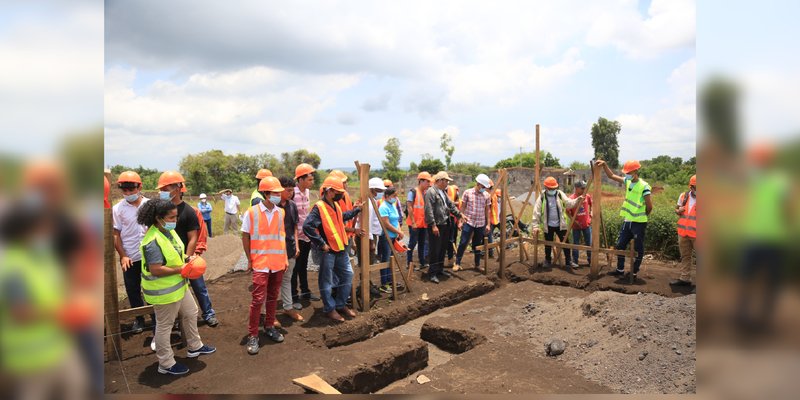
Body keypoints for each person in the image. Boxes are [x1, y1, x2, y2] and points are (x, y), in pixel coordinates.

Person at [0, 203, 89, 399]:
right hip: (30, 356)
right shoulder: (14, 267)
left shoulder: (41, 258)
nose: (48, 232)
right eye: (42, 227)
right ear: (24, 231)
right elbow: (20, 312)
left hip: (58, 346)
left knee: (76, 385)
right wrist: (63, 313)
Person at [137, 199, 215, 375]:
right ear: (158, 218)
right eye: (171, 217)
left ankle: (195, 346)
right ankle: (165, 363)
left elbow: (176, 253)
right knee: (165, 326)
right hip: (164, 292)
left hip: (179, 286)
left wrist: (188, 259)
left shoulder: (167, 232)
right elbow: (156, 269)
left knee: (191, 312)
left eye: (176, 216)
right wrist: (183, 268)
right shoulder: (152, 240)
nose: (175, 220)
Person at [157, 171, 219, 326]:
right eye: (162, 189)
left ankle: (208, 313)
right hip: (169, 260)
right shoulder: (160, 212)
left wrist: (187, 259)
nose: (163, 192)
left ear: (178, 189)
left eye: (166, 189)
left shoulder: (189, 212)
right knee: (174, 290)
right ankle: (177, 319)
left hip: (187, 258)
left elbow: (194, 238)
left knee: (199, 286)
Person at [302, 176, 362, 322]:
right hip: (328, 251)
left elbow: (341, 218)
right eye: (338, 192)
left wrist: (357, 210)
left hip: (340, 249)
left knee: (348, 275)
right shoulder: (319, 208)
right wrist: (321, 244)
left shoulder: (335, 205)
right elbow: (307, 226)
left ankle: (340, 304)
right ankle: (329, 308)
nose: (341, 194)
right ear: (329, 191)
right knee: (326, 281)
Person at [241, 177, 289, 355]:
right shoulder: (252, 213)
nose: (278, 195)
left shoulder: (280, 213)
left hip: (277, 263)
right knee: (257, 300)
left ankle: (269, 326)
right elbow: (245, 236)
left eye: (279, 192)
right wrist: (249, 258)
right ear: (266, 194)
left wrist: (284, 258)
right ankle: (253, 334)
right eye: (275, 193)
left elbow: (281, 237)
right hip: (261, 263)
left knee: (272, 298)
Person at [596, 159, 653, 280]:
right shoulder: (627, 181)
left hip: (639, 222)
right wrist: (605, 165)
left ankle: (633, 272)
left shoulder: (644, 186)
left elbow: (649, 206)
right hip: (628, 221)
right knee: (620, 245)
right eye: (626, 172)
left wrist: (642, 216)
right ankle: (620, 270)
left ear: (636, 171)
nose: (626, 174)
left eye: (629, 172)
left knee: (638, 248)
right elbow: (611, 175)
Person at [112, 171, 152, 334]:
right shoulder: (118, 209)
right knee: (132, 289)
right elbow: (116, 235)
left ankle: (159, 318)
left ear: (139, 187)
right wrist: (123, 256)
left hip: (150, 255)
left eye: (131, 189)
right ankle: (139, 319)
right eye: (124, 190)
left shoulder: (150, 205)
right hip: (131, 257)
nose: (128, 193)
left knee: (154, 288)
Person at [532, 176, 583, 270]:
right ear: (546, 188)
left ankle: (568, 261)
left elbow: (568, 203)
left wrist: (577, 200)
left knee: (565, 243)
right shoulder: (542, 197)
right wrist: (535, 226)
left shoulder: (559, 194)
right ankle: (548, 260)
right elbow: (537, 212)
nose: (553, 190)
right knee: (548, 244)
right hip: (548, 225)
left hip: (561, 225)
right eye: (551, 188)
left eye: (554, 188)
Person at [424, 172, 463, 283]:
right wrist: (433, 225)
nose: (447, 183)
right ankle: (432, 273)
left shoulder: (442, 192)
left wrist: (460, 214)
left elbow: (450, 205)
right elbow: (428, 210)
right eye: (446, 181)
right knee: (434, 250)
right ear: (440, 180)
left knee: (442, 248)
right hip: (437, 225)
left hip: (445, 224)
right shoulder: (431, 192)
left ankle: (439, 270)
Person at [292, 163, 321, 309]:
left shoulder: (308, 193)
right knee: (294, 268)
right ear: (301, 179)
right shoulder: (293, 194)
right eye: (309, 179)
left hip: (307, 235)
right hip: (296, 237)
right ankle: (293, 297)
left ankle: (305, 292)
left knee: (303, 265)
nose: (312, 181)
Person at [276, 176, 304, 322]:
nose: (290, 193)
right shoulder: (272, 207)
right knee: (272, 283)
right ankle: (269, 315)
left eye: (292, 190)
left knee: (287, 279)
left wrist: (297, 245)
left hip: (290, 249)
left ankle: (288, 308)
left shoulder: (292, 205)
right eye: (288, 190)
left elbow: (294, 226)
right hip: (275, 251)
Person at [454, 174, 492, 272]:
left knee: (477, 244)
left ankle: (477, 264)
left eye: (485, 187)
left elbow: (488, 210)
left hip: (480, 223)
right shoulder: (468, 193)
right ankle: (457, 263)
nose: (484, 189)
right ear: (478, 184)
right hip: (468, 221)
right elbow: (463, 207)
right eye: (483, 187)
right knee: (463, 242)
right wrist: (460, 221)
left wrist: (488, 224)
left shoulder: (486, 195)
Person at [357, 178, 388, 291]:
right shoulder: (369, 203)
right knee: (366, 262)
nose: (380, 192)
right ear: (373, 189)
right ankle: (364, 287)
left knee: (368, 261)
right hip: (366, 236)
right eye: (378, 190)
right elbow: (367, 223)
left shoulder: (372, 200)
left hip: (370, 235)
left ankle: (367, 284)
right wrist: (371, 242)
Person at [671, 175, 697, 288]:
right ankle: (684, 278)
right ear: (691, 187)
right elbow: (676, 209)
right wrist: (678, 210)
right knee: (685, 256)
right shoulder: (683, 196)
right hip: (683, 233)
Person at [378, 187, 405, 292]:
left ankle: (390, 280)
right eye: (394, 196)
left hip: (394, 236)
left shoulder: (392, 205)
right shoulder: (383, 207)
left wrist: (399, 230)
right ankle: (384, 283)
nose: (395, 198)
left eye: (396, 196)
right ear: (387, 196)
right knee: (386, 259)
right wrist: (398, 232)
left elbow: (397, 220)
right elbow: (386, 223)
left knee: (391, 258)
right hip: (386, 236)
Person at [406, 172, 432, 270]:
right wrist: (413, 222)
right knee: (412, 243)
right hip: (414, 224)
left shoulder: (425, 193)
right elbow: (409, 207)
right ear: (421, 181)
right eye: (427, 181)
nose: (428, 184)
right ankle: (409, 263)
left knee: (422, 244)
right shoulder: (413, 192)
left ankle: (422, 262)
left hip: (423, 224)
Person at [566, 180, 593, 268]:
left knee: (589, 243)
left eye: (585, 188)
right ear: (577, 188)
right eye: (582, 188)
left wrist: (591, 212)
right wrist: (574, 221)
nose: (584, 189)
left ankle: (591, 261)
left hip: (586, 224)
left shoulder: (587, 196)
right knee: (575, 243)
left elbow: (591, 204)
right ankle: (575, 261)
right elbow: (567, 212)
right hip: (576, 225)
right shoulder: (571, 198)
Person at [446, 184, 460, 266]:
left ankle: (450, 258)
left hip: (452, 217)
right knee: (450, 239)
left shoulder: (451, 190)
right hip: (450, 217)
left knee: (451, 239)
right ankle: (450, 258)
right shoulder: (451, 190)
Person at [487, 185, 501, 259]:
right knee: (488, 236)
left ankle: (490, 253)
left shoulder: (492, 197)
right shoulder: (493, 197)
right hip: (493, 219)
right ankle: (489, 252)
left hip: (492, 219)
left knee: (489, 237)